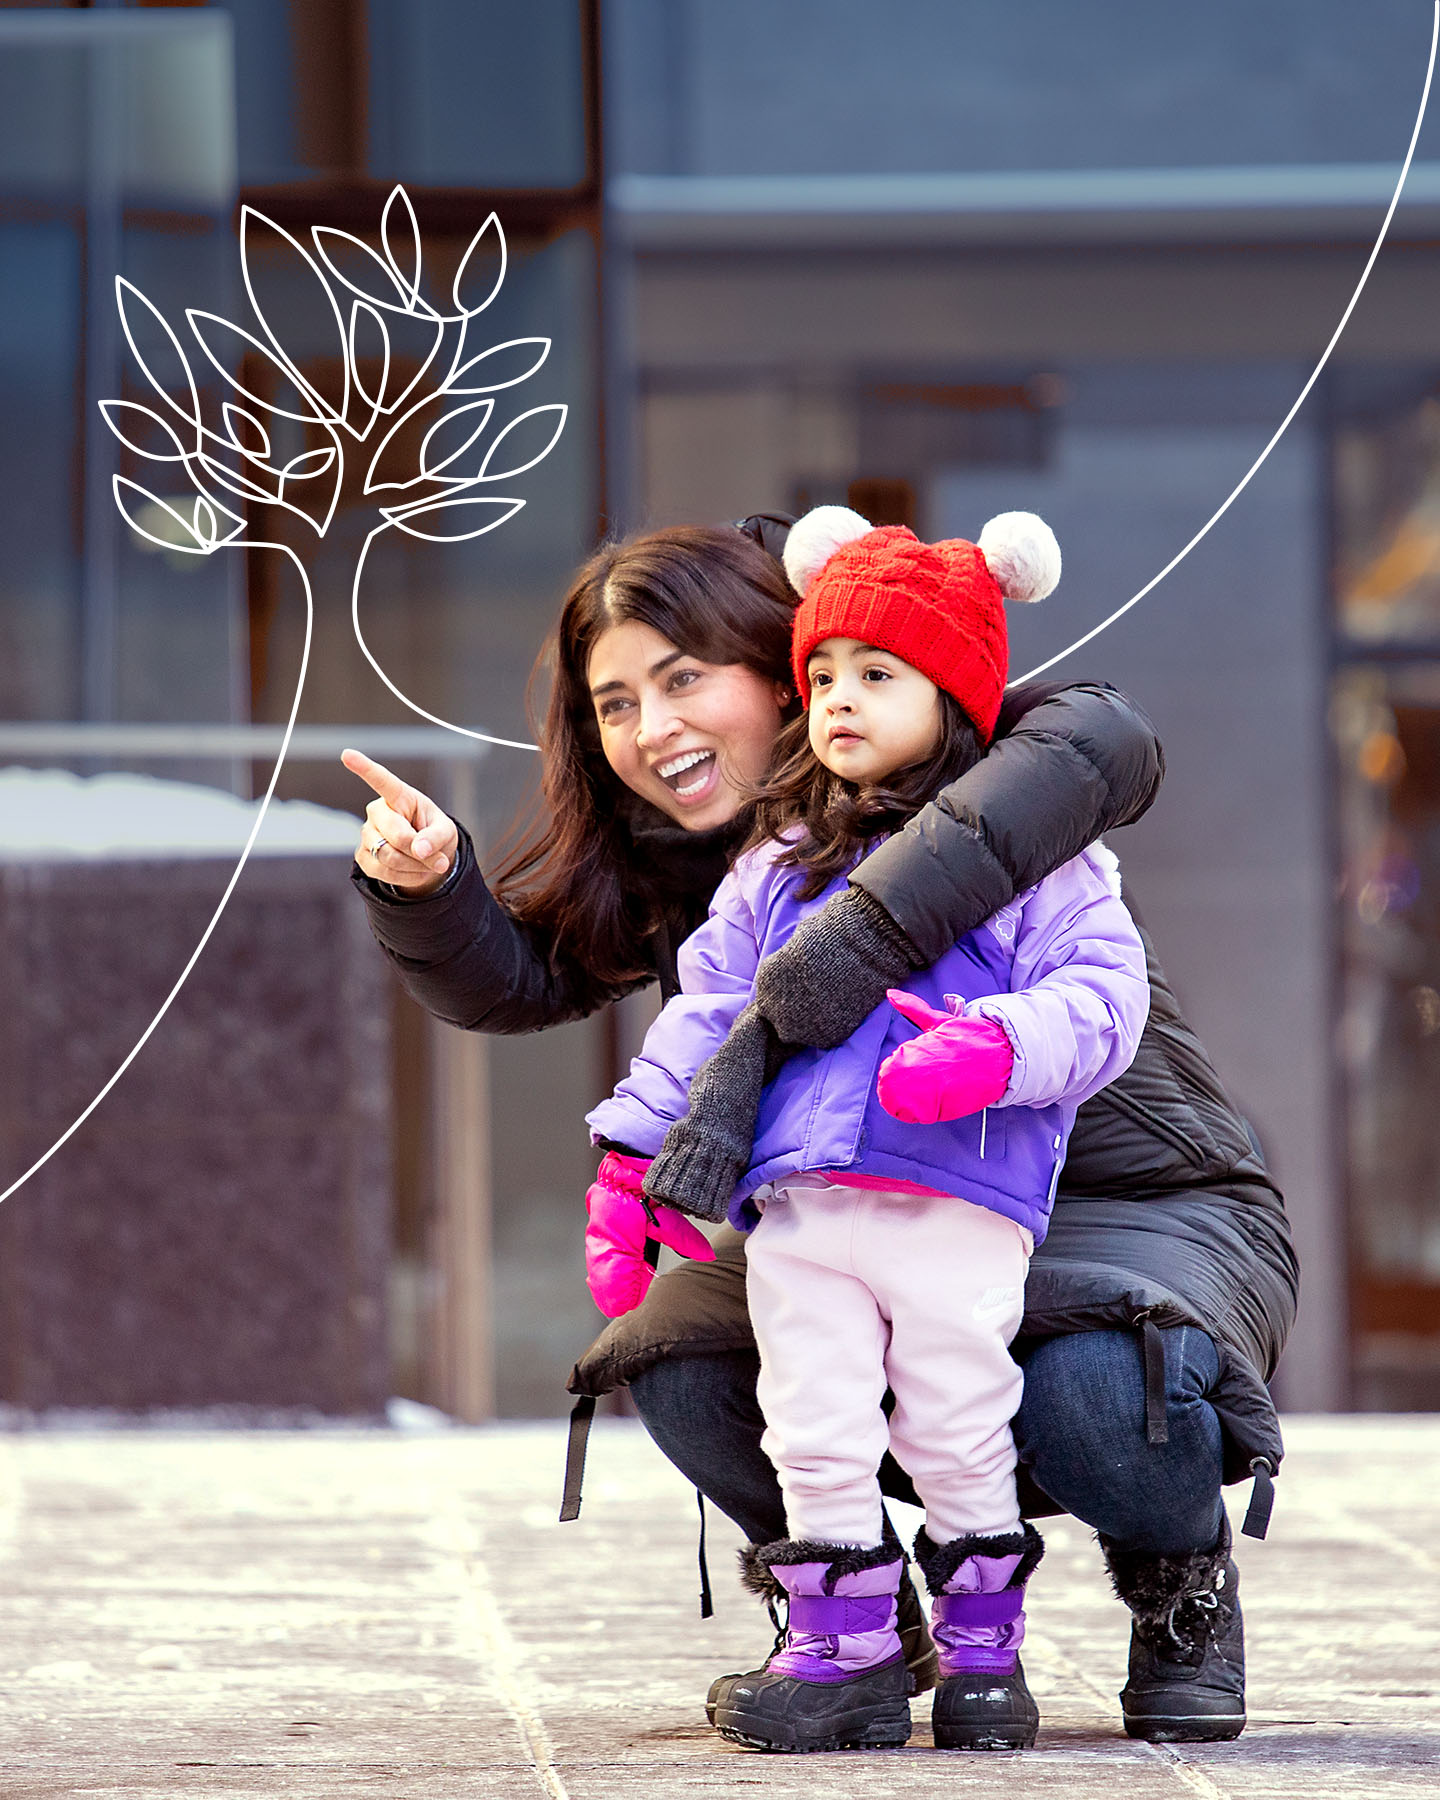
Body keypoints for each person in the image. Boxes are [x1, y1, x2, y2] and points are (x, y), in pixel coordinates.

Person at [344, 512, 1297, 1746]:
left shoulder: (1002, 761)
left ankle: (1179, 1585)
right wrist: (428, 894)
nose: (652, 730)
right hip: (866, 1197)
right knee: (678, 1350)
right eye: (616, 703)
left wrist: (865, 962)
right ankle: (850, 1625)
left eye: (685, 679)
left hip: (1140, 1203)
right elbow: (542, 984)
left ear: (781, 655)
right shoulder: (732, 868)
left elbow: (1108, 734)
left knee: (1090, 1389)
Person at [582, 506, 1152, 1753]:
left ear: (955, 697)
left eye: (877, 675)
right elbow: (712, 1011)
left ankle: (984, 1660)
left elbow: (1105, 1004)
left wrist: (998, 1046)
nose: (838, 699)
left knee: (954, 1417)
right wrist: (631, 1155)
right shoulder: (777, 861)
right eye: (822, 674)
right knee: (814, 1423)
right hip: (803, 1202)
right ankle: (839, 1650)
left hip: (954, 1197)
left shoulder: (1045, 862)